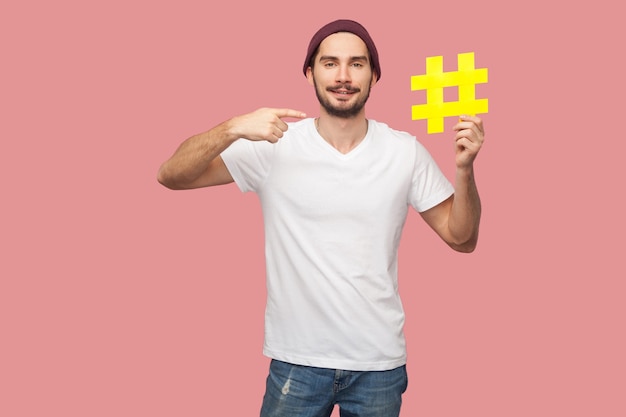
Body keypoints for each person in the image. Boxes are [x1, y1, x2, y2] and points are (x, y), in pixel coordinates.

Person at [158, 19, 484, 417]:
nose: (343, 76)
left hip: (378, 365)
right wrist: (232, 128)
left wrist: (465, 171)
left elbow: (462, 238)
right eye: (330, 63)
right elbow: (171, 176)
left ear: (374, 75)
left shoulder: (405, 152)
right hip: (296, 360)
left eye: (357, 64)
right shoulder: (273, 144)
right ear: (310, 73)